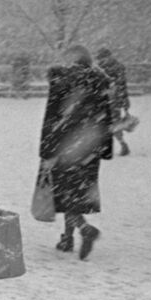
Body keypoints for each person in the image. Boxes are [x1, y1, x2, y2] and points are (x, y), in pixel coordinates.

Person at [38, 44, 112, 260]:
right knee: (77, 194)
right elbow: (106, 117)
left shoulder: (62, 80)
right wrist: (104, 148)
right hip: (89, 147)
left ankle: (83, 228)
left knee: (65, 194)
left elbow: (52, 116)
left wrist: (47, 149)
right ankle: (67, 238)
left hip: (65, 146)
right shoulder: (99, 82)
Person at [96, 47, 131, 156]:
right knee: (106, 124)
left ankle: (122, 144)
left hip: (113, 101)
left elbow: (121, 85)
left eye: (102, 58)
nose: (101, 60)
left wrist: (124, 101)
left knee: (114, 124)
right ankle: (115, 145)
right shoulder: (102, 68)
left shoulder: (115, 68)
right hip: (106, 100)